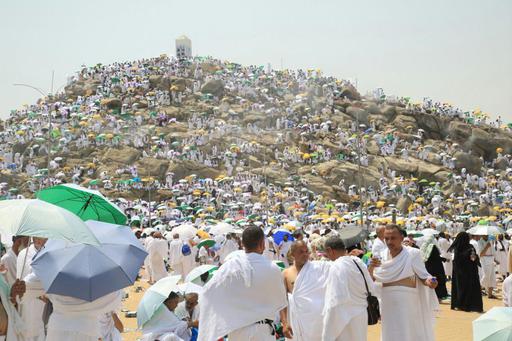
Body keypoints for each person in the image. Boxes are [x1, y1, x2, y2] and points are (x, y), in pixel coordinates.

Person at [198, 226, 287, 341]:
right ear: (262, 244)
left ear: (242, 244)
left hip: (238, 332)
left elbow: (207, 292)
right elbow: (280, 301)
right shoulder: (272, 268)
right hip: (263, 331)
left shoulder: (230, 267)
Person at [369, 224, 438, 341]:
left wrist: (430, 282)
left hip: (408, 304)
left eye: (393, 238)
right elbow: (372, 280)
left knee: (409, 334)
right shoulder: (380, 256)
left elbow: (423, 276)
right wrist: (370, 267)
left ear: (401, 238)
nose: (389, 241)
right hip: (387, 303)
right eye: (386, 238)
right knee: (390, 333)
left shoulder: (412, 254)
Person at [322, 235, 375, 341]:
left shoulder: (336, 267)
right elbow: (371, 287)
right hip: (361, 315)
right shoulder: (357, 262)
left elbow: (334, 301)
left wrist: (327, 332)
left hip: (344, 320)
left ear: (330, 250)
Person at [279, 240, 329, 340]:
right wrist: (284, 323)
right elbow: (281, 300)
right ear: (293, 254)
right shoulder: (286, 274)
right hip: (297, 323)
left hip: (318, 322)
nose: (305, 254)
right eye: (301, 252)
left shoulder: (317, 268)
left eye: (306, 251)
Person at [16, 237, 47, 341]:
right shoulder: (24, 254)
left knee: (40, 332)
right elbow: (19, 280)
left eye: (41, 237)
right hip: (26, 304)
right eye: (36, 236)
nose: (38, 240)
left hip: (42, 305)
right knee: (26, 332)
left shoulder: (49, 254)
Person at [448, 232, 483, 312]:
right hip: (465, 273)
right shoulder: (464, 248)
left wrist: (473, 256)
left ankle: (464, 305)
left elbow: (471, 258)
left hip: (465, 273)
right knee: (465, 289)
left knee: (465, 289)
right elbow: (467, 259)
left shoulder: (464, 247)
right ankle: (464, 305)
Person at [421, 235, 448, 300]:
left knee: (430, 279)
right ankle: (438, 296)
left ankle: (430, 296)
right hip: (436, 267)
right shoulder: (432, 247)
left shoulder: (423, 246)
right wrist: (444, 259)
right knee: (437, 280)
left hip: (427, 267)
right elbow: (436, 257)